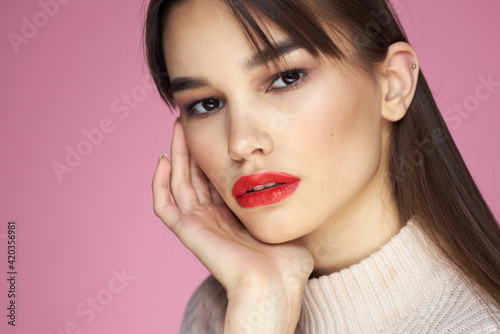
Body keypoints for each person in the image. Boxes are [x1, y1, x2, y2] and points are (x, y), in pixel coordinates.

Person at [144, 0, 500, 332]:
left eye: (286, 78)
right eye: (206, 104)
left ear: (393, 85)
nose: (240, 143)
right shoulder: (221, 312)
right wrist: (261, 303)